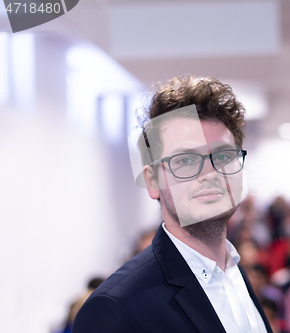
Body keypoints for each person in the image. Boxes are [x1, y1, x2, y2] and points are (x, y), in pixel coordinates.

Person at [73, 76, 272, 332]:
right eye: (186, 160)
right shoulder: (114, 308)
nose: (210, 172)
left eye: (223, 155)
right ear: (152, 181)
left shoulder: (234, 272)